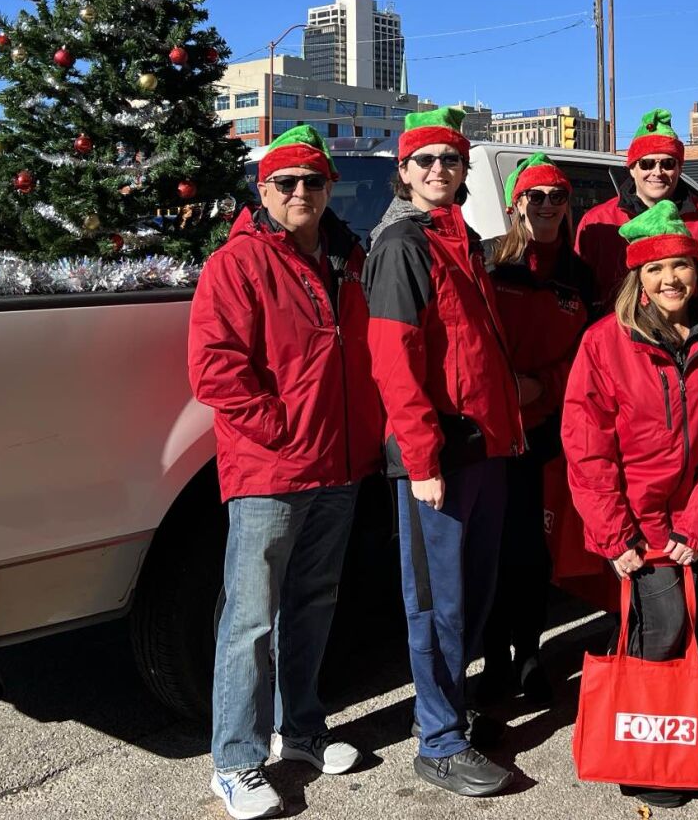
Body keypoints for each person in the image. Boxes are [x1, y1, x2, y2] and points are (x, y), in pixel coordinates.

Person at [188, 126, 382, 819]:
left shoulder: (346, 255)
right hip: (272, 470)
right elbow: (216, 369)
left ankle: (299, 731)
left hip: (338, 464)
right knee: (249, 619)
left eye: (313, 181)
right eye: (286, 182)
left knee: (313, 602)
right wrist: (285, 432)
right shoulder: (236, 264)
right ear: (263, 190)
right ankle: (234, 761)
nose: (302, 192)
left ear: (329, 188)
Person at [562, 201, 698, 811]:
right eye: (656, 269)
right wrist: (614, 536)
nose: (671, 279)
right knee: (661, 631)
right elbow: (587, 448)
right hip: (639, 529)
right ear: (637, 279)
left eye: (681, 267)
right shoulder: (603, 344)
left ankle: (684, 732)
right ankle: (646, 751)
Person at [364, 106, 522, 798]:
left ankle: (453, 712)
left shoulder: (464, 238)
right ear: (403, 172)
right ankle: (437, 738)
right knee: (438, 601)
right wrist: (422, 461)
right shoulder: (403, 244)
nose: (437, 170)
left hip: (483, 446)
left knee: (473, 594)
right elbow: (395, 362)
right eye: (423, 161)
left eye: (448, 160)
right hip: (440, 458)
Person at [480, 153, 595, 707]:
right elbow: (467, 343)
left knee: (531, 554)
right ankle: (492, 662)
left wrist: (543, 387)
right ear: (515, 205)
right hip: (489, 434)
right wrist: (505, 388)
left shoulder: (579, 275)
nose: (547, 205)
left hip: (547, 432)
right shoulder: (487, 265)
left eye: (558, 196)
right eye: (536, 196)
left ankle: (528, 655)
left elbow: (589, 356)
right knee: (489, 553)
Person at [577, 108, 698, 306]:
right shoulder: (598, 221)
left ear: (679, 168)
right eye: (647, 164)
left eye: (668, 163)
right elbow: (581, 292)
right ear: (632, 169)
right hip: (619, 332)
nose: (657, 172)